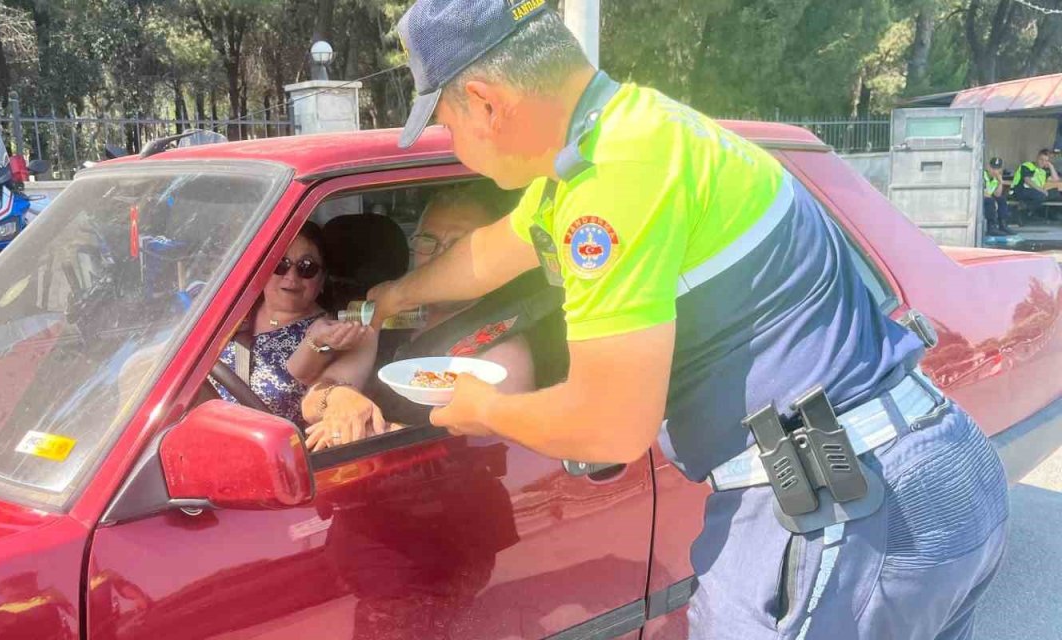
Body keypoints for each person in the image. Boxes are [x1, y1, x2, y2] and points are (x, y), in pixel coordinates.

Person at [368, 2, 1008, 638]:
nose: (454, 147)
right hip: (922, 472)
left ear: (486, 103)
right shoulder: (627, 134)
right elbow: (493, 252)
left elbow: (609, 428)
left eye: (447, 124)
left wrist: (484, 409)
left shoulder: (610, 184)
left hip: (844, 513)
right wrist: (393, 296)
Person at [301, 183, 542, 450]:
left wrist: (375, 430)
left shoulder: (501, 347)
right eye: (428, 240)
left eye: (459, 245)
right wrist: (339, 398)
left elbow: (496, 448)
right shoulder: (385, 313)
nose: (440, 256)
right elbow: (312, 402)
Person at [212, 222, 377, 426]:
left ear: (322, 279)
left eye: (306, 267)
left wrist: (315, 342)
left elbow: (316, 395)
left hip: (267, 444)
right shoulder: (228, 311)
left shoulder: (334, 332)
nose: (291, 277)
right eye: (280, 263)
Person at [1012, 148, 1057, 220]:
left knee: (1055, 192)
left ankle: (1026, 207)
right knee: (1041, 196)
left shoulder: (1043, 171)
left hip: (1034, 192)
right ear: (1037, 158)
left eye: (1046, 161)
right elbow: (1027, 180)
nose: (1043, 162)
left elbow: (1055, 179)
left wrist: (1051, 166)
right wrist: (1042, 190)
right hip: (1020, 190)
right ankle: (1022, 209)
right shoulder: (1027, 165)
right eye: (1041, 159)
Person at [984, 157, 1011, 236]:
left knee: (1001, 199)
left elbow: (997, 194)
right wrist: (993, 199)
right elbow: (980, 192)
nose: (995, 171)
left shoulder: (996, 178)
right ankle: (991, 227)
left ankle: (1002, 225)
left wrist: (1000, 182)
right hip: (979, 199)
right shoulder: (983, 175)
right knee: (990, 201)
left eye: (997, 169)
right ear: (988, 167)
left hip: (988, 198)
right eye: (993, 168)